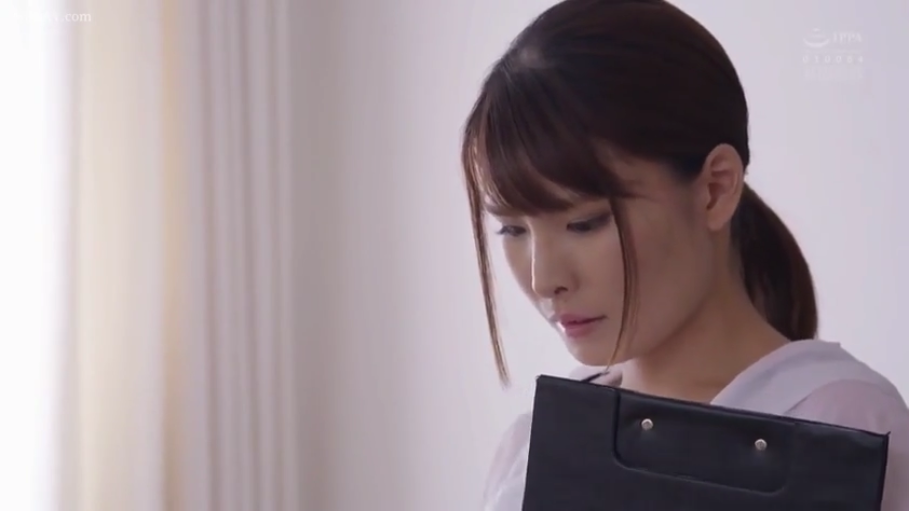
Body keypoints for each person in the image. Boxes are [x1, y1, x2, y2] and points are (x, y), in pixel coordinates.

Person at [459, 0, 909, 510]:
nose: (544, 279)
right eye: (512, 229)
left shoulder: (849, 430)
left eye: (585, 223)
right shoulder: (534, 446)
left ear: (715, 189)